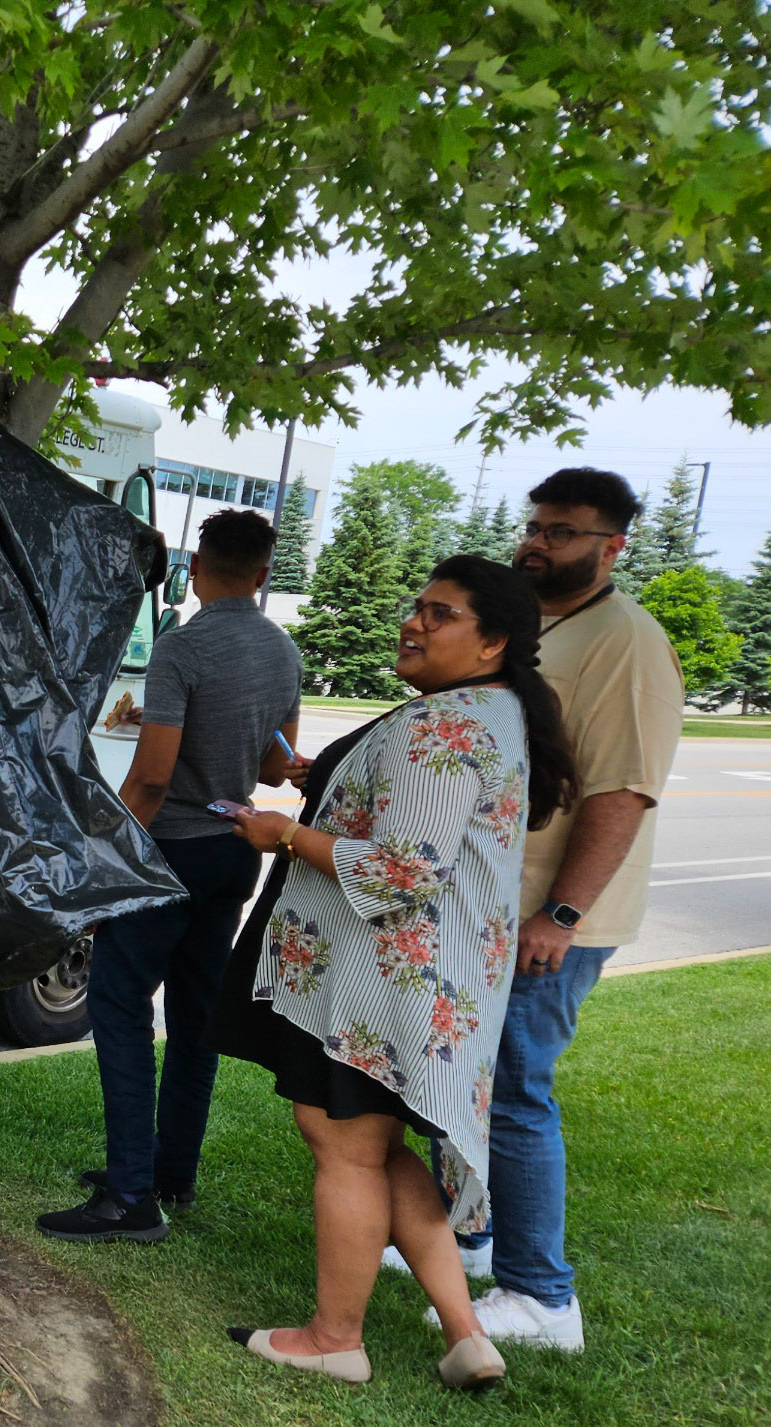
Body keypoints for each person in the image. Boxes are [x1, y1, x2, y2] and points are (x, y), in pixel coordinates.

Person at [214, 555, 579, 1389]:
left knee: (344, 1147)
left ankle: (334, 1337)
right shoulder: (494, 710)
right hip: (431, 986)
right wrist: (333, 783)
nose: (414, 622)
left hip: (378, 988)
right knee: (377, 1145)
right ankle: (465, 1333)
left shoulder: (443, 722)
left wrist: (283, 834)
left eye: (440, 613)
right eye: (417, 605)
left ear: (491, 642)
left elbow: (401, 871)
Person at [387, 469, 683, 1352]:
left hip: (547, 924)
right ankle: (470, 1236)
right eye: (536, 525)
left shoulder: (627, 643)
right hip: (484, 911)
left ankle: (543, 1296)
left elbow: (624, 792)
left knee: (515, 1091)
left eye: (563, 531)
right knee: (463, 1084)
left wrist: (560, 912)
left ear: (612, 545)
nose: (539, 542)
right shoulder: (536, 623)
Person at [35, 510, 302, 1243]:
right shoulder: (283, 651)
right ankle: (170, 1171)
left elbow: (151, 778)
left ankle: (130, 1195)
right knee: (194, 1018)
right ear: (262, 574)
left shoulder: (182, 647)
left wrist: (105, 855)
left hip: (172, 851)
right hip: (233, 851)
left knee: (118, 1004)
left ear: (195, 568)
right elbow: (273, 766)